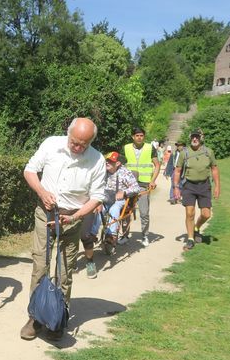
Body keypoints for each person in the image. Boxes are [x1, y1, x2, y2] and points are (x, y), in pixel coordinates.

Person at [20, 118, 106, 341]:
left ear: (90, 142)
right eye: (74, 142)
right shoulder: (51, 144)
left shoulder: (97, 160)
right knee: (40, 264)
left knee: (65, 270)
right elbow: (29, 171)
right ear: (68, 134)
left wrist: (75, 217)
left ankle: (58, 316)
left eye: (83, 145)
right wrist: (41, 192)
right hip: (45, 213)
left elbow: (97, 196)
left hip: (73, 218)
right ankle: (36, 316)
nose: (77, 148)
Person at [81, 151, 141, 273]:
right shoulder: (103, 172)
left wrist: (124, 192)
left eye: (110, 161)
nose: (107, 163)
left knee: (114, 209)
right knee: (97, 210)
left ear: (118, 163)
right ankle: (92, 234)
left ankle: (111, 235)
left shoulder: (125, 172)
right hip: (105, 199)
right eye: (106, 161)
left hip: (119, 200)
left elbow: (136, 187)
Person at [173, 128, 220, 251]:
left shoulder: (208, 152)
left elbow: (214, 169)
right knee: (190, 213)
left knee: (206, 214)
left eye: (197, 137)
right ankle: (190, 239)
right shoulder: (185, 153)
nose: (195, 139)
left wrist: (217, 186)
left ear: (201, 138)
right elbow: (177, 171)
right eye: (193, 137)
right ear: (190, 138)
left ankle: (196, 227)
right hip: (189, 185)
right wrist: (176, 187)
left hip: (204, 186)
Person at [123, 127, 161, 247]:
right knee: (125, 212)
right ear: (132, 137)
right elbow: (121, 164)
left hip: (144, 184)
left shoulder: (150, 148)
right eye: (137, 135)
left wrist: (153, 180)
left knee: (144, 212)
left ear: (144, 137)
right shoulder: (126, 147)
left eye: (141, 135)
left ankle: (145, 235)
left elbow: (157, 165)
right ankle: (124, 235)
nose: (139, 137)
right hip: (129, 184)